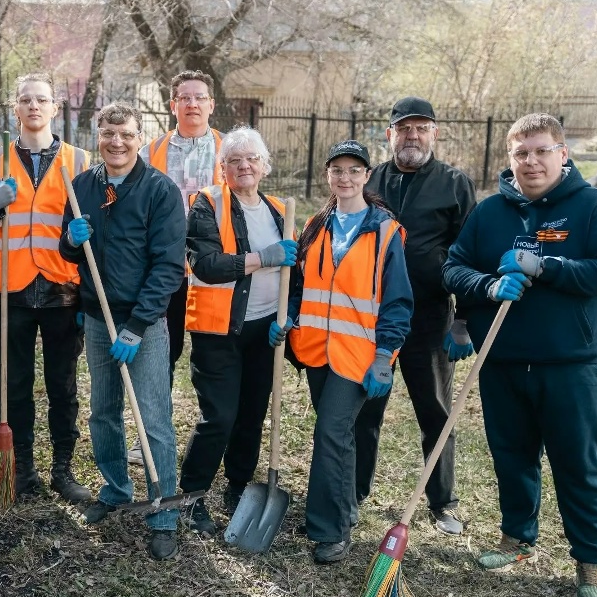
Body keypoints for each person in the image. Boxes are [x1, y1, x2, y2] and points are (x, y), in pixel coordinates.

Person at [443, 113, 597, 597]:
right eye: (521, 153)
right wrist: (485, 285)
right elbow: (453, 267)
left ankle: (592, 560)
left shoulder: (595, 208)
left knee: (578, 462)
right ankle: (517, 538)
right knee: (512, 455)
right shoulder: (489, 214)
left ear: (562, 154)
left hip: (570, 364)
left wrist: (545, 266)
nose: (531, 161)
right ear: (511, 159)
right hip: (502, 360)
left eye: (541, 151)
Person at [59, 103, 186, 560]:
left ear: (140, 137)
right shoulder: (83, 186)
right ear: (99, 135)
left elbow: (168, 267)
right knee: (103, 411)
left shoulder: (159, 191)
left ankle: (164, 510)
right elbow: (69, 252)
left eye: (126, 134)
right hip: (96, 315)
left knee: (152, 417)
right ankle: (115, 488)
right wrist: (71, 240)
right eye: (109, 133)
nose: (117, 142)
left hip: (143, 321)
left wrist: (136, 326)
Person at [0, 72, 92, 503]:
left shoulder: (81, 162)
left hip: (62, 291)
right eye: (25, 100)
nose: (33, 107)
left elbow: (96, 234)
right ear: (14, 109)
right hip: (11, 293)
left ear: (55, 108)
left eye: (41, 100)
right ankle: (22, 469)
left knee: (63, 386)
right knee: (14, 386)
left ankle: (63, 469)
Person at [352, 97, 477, 535]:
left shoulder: (454, 183)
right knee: (366, 408)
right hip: (373, 318)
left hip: (428, 318)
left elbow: (469, 254)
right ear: (389, 134)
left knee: (435, 410)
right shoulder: (372, 180)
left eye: (421, 128)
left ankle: (442, 501)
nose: (412, 136)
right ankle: (354, 492)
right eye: (404, 129)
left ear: (434, 134)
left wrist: (462, 320)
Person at [285, 140, 413, 564]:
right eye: (337, 170)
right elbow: (300, 286)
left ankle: (330, 529)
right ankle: (343, 507)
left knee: (331, 433)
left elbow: (397, 300)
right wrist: (287, 319)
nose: (345, 177)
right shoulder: (315, 225)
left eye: (353, 170)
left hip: (359, 354)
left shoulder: (385, 231)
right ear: (328, 176)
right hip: (317, 350)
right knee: (338, 435)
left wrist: (384, 357)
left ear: (366, 175)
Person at [178, 127, 298, 535]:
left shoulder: (281, 210)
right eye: (234, 160)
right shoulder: (207, 203)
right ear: (223, 168)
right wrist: (264, 257)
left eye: (252, 159)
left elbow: (294, 277)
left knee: (251, 413)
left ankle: (237, 485)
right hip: (218, 331)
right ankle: (191, 495)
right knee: (221, 416)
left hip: (265, 330)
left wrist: (289, 316)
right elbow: (207, 265)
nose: (244, 166)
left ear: (264, 166)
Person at [132, 70, 224, 465]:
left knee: (212, 359)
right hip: (163, 270)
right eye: (184, 97)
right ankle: (148, 437)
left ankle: (212, 439)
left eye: (199, 97)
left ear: (210, 105)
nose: (192, 104)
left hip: (213, 270)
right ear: (172, 106)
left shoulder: (228, 149)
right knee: (158, 357)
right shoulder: (150, 150)